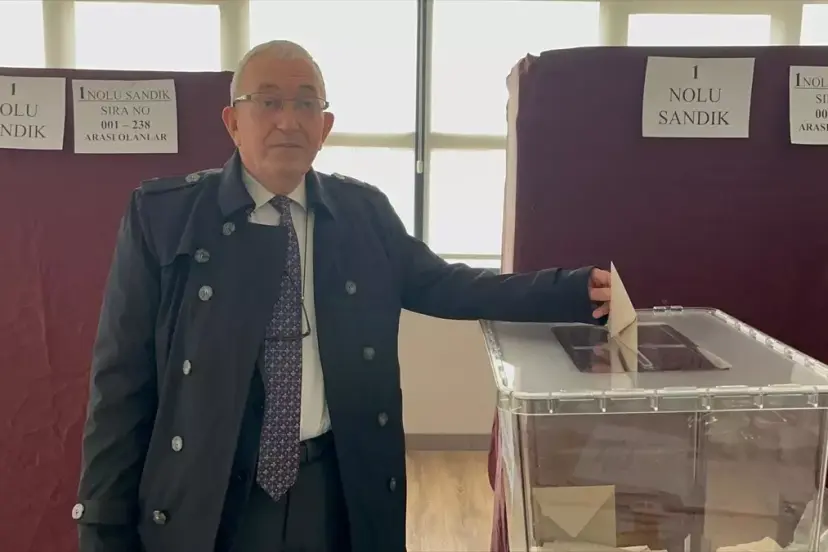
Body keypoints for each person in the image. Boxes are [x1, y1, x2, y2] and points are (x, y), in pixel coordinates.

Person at [72, 40, 612, 552]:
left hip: (335, 485)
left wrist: (569, 291)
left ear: (325, 127)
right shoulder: (165, 218)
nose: (288, 120)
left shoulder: (362, 214)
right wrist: (101, 522)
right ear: (233, 121)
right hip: (212, 491)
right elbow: (120, 384)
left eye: (306, 103)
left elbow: (451, 286)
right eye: (269, 101)